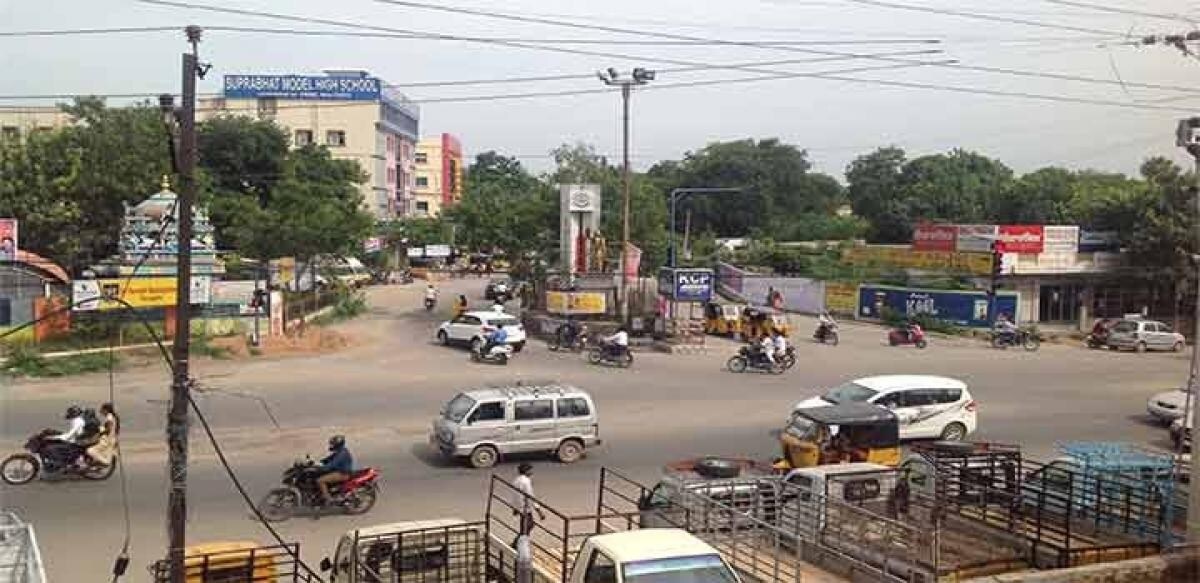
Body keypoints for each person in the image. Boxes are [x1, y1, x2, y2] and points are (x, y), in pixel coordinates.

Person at [316, 435, 354, 506]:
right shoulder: (339, 451)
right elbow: (328, 459)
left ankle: (328, 499)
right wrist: (317, 462)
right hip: (338, 471)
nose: (331, 445)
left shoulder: (342, 454)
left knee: (320, 480)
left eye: (333, 444)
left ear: (338, 445)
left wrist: (322, 468)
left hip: (343, 474)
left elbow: (332, 464)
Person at [512, 463, 545, 535]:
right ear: (526, 471)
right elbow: (530, 496)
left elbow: (515, 494)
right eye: (530, 470)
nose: (532, 472)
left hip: (519, 505)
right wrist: (539, 511)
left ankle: (519, 541)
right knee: (527, 526)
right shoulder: (526, 481)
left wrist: (515, 508)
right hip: (525, 507)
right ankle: (519, 542)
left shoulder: (516, 480)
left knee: (526, 525)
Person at [86, 402, 120, 467]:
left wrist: (99, 434)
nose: (101, 411)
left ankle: (105, 462)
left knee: (90, 451)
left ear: (106, 410)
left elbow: (108, 429)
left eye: (102, 410)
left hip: (108, 440)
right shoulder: (112, 416)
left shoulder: (109, 417)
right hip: (111, 439)